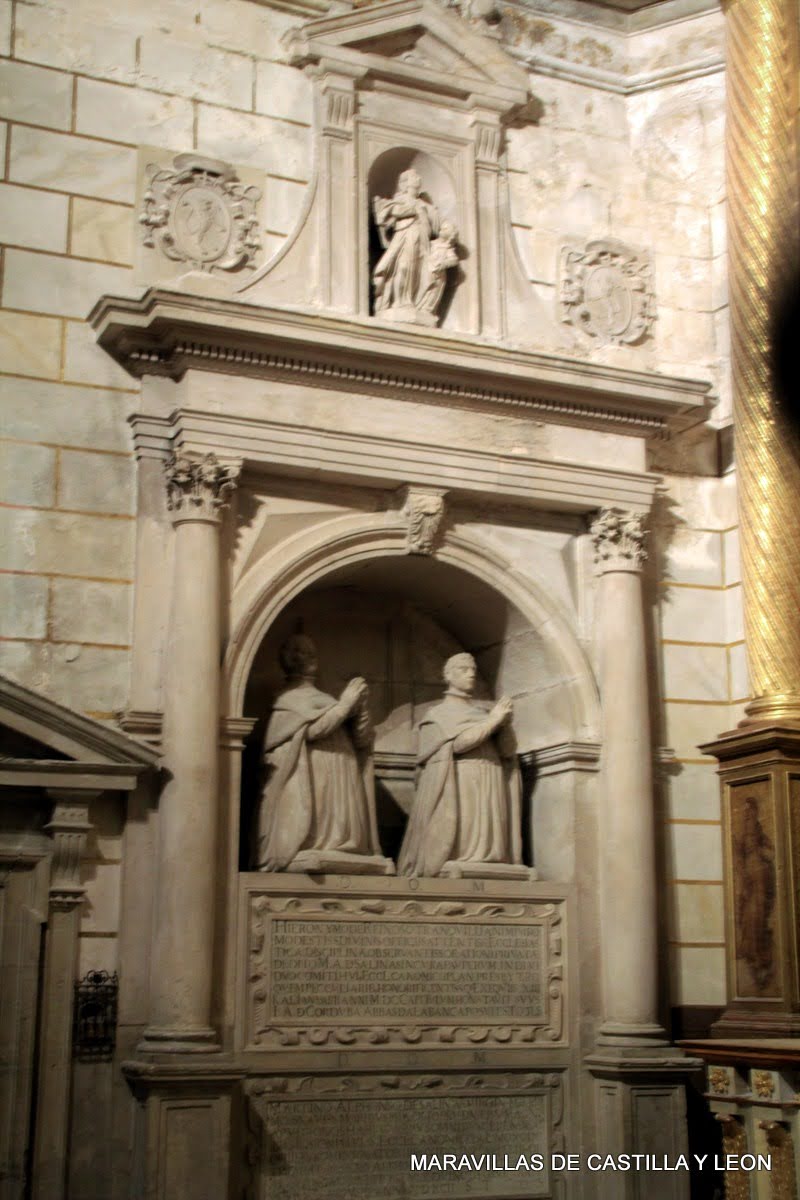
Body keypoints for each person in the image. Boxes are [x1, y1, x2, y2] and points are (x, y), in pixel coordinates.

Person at [256, 634, 390, 873]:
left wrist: (360, 709)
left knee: (340, 825)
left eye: (311, 652)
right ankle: (314, 844)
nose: (307, 656)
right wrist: (345, 705)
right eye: (299, 651)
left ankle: (343, 846)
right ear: (287, 659)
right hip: (313, 772)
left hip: (342, 768)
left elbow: (361, 740)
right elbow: (313, 731)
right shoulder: (288, 700)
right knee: (320, 819)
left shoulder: (326, 699)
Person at [398, 652, 523, 877]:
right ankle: (464, 857)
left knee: (490, 829)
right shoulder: (438, 714)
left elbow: (507, 752)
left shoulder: (483, 713)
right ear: (448, 675)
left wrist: (504, 725)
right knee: (466, 829)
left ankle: (491, 858)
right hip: (462, 778)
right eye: (463, 669)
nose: (471, 674)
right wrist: (494, 720)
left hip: (492, 775)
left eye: (473, 669)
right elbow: (459, 744)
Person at [372, 169, 441, 314]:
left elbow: (436, 225)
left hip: (422, 239)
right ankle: (399, 301)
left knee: (419, 271)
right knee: (403, 267)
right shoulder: (401, 199)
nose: (418, 178)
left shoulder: (423, 204)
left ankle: (414, 302)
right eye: (414, 177)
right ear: (405, 183)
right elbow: (387, 214)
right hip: (406, 236)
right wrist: (413, 209)